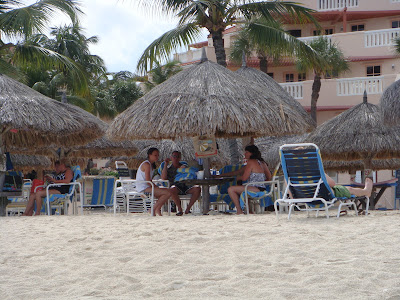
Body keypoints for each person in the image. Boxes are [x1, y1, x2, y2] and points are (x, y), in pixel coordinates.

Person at [215, 145, 272, 215]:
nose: (245, 154)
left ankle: (239, 211)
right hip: (262, 188)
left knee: (231, 189)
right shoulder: (262, 163)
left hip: (255, 188)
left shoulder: (251, 162)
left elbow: (244, 178)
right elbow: (269, 177)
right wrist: (220, 175)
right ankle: (249, 211)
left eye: (246, 152)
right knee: (242, 189)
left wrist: (238, 178)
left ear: (252, 153)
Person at [161, 151, 201, 215]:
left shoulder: (184, 167)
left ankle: (188, 209)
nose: (176, 158)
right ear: (171, 157)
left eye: (178, 157)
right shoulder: (169, 168)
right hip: (176, 186)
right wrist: (165, 164)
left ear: (180, 158)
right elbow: (163, 178)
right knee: (172, 189)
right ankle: (179, 209)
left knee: (197, 189)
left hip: (187, 185)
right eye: (174, 156)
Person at [136, 148, 171, 216]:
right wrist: (156, 187)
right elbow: (148, 181)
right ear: (149, 155)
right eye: (155, 155)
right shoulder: (147, 164)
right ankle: (153, 209)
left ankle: (157, 208)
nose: (157, 157)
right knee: (167, 193)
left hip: (147, 186)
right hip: (143, 188)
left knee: (166, 192)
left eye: (158, 155)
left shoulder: (151, 165)